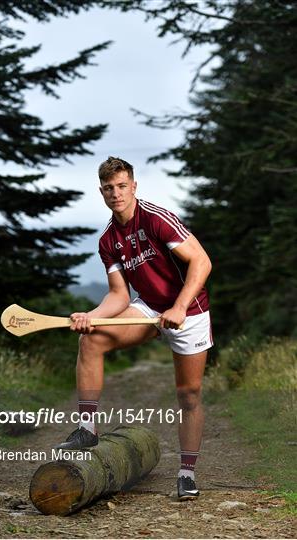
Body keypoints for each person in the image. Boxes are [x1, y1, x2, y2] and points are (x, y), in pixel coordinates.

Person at [56, 156, 213, 500]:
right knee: (92, 341)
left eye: (122, 186)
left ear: (134, 186)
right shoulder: (108, 240)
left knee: (189, 394)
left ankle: (186, 473)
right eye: (109, 188)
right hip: (150, 307)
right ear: (102, 192)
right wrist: (92, 316)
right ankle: (87, 428)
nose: (116, 193)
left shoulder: (156, 219)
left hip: (190, 309)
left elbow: (202, 261)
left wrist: (179, 307)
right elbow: (117, 295)